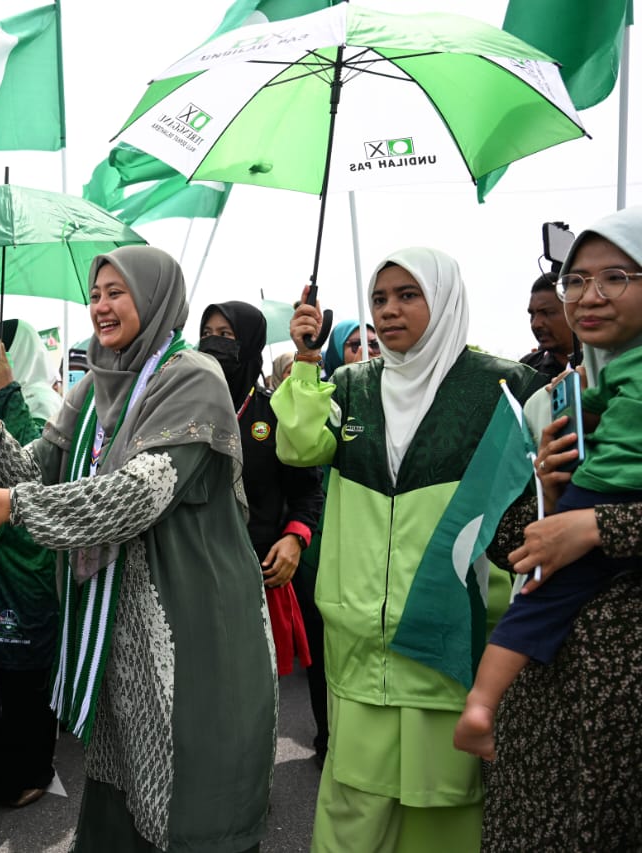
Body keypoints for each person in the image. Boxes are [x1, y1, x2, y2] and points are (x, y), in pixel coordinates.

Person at [0, 245, 276, 852]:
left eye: (118, 292)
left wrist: (10, 507)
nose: (102, 306)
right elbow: (35, 471)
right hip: (116, 625)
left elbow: (137, 496)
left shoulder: (191, 377)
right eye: (95, 294)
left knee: (188, 778)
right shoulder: (92, 388)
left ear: (155, 296)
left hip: (191, 619)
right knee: (124, 779)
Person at [272, 247, 543, 852]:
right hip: (359, 638)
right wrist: (309, 361)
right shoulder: (350, 383)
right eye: (379, 298)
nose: (390, 311)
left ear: (443, 299)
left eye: (408, 295)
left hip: (449, 643)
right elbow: (298, 447)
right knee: (353, 807)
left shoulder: (504, 386)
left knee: (444, 809)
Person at [461, 210, 642, 841]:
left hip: (621, 699)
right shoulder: (560, 398)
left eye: (615, 276)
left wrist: (603, 527)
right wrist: (550, 489)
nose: (589, 297)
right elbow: (517, 544)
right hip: (547, 696)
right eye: (576, 281)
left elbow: (588, 529)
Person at [0, 318, 61, 809]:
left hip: (26, 560)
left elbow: (33, 475)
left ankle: (32, 769)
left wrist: (9, 394)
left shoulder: (44, 403)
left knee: (25, 672)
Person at [199, 301, 322, 677]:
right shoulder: (184, 409)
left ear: (250, 342)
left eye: (226, 336)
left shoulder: (273, 413)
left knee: (250, 690)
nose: (214, 344)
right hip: (195, 576)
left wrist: (294, 539)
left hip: (259, 577)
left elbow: (308, 492)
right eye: (207, 335)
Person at [293, 315, 380, 766]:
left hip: (370, 549)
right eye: (354, 346)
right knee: (323, 650)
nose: (367, 353)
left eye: (375, 345)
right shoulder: (327, 401)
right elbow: (301, 447)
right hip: (321, 547)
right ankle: (328, 738)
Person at [519, 272, 577, 384]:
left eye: (548, 313)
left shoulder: (605, 363)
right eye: (532, 314)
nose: (536, 324)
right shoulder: (526, 370)